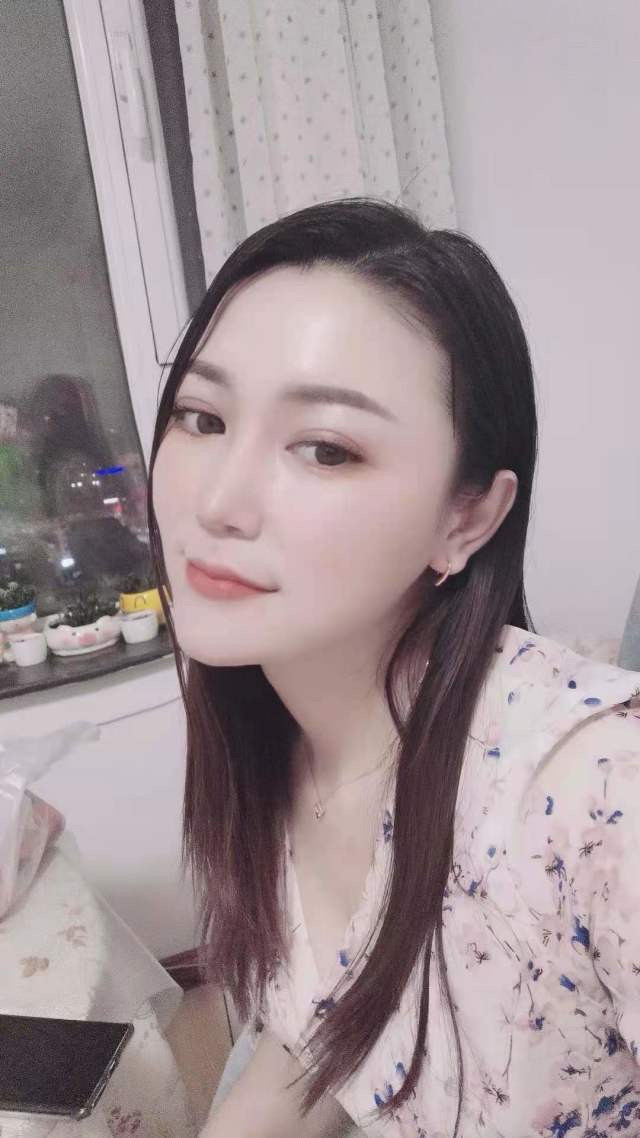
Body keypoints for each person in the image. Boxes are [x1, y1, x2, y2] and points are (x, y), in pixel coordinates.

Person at [148, 198, 640, 1137]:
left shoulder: (600, 800)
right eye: (202, 418)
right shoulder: (277, 737)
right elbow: (319, 1032)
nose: (216, 501)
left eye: (326, 449)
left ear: (468, 518)